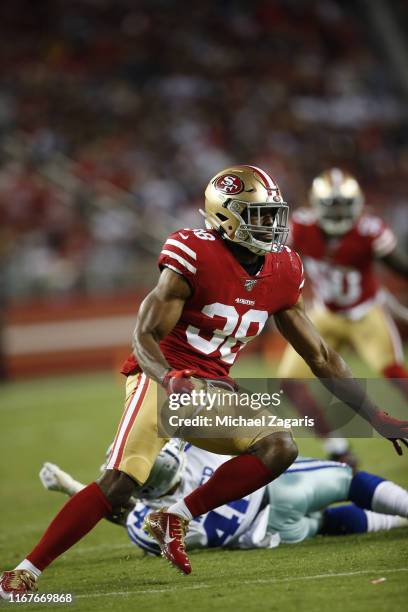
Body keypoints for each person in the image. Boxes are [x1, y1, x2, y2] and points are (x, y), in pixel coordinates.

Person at [1, 165, 407, 598]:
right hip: (161, 376)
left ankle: (175, 515)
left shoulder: (284, 268)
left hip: (212, 387)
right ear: (226, 217)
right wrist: (168, 378)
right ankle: (23, 573)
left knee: (280, 445)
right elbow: (144, 336)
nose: (270, 225)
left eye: (273, 214)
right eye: (259, 215)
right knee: (120, 484)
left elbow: (321, 355)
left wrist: (376, 416)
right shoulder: (193, 252)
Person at [39, 443, 408, 551]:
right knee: (348, 480)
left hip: (267, 534)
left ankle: (397, 521)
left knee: (325, 525)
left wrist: (72, 488)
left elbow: (124, 513)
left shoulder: (145, 519)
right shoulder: (189, 445)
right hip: (278, 489)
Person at [278, 168, 408, 463]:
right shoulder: (300, 226)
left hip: (365, 313)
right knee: (289, 382)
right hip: (325, 314)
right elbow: (278, 262)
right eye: (331, 206)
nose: (337, 213)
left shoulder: (369, 229)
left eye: (343, 205)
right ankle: (337, 448)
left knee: (395, 374)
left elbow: (399, 266)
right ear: (316, 205)